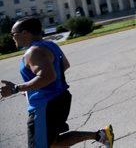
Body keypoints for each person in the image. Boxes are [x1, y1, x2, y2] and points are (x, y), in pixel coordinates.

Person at [0, 17, 114, 148]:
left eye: (13, 34)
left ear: (25, 33)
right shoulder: (50, 45)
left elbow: (47, 77)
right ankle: (101, 135)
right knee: (54, 142)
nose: (12, 37)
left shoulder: (34, 51)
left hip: (45, 106)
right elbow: (64, 65)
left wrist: (16, 88)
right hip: (59, 99)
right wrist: (32, 88)